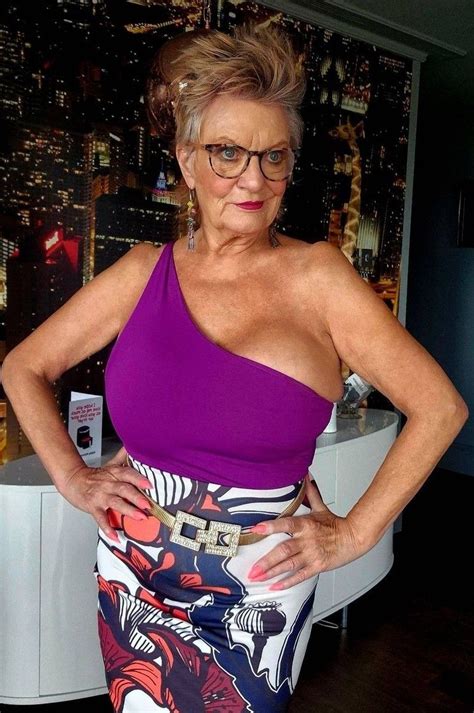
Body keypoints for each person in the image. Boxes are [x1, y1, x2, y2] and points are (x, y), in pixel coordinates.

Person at [1, 24, 468, 713]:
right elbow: (23, 366)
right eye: (227, 152)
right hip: (131, 569)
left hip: (258, 591)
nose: (253, 179)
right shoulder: (142, 273)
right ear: (187, 161)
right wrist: (73, 476)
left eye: (273, 156)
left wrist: (355, 534)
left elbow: (440, 407)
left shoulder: (319, 278)